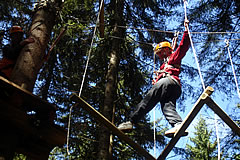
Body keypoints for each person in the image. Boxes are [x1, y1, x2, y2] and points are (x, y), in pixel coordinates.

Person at [118, 20, 190, 138]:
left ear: (168, 50)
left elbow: (183, 47)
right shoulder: (164, 66)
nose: (161, 56)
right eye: (159, 54)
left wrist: (186, 31)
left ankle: (131, 121)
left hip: (169, 81)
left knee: (149, 98)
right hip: (174, 87)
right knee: (167, 106)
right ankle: (178, 124)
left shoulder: (173, 58)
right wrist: (157, 81)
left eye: (162, 52)